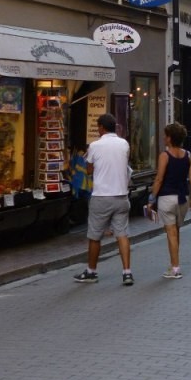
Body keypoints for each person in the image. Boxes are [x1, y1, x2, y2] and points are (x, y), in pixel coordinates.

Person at [75, 113, 134, 286]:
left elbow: (89, 170)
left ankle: (92, 271)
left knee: (95, 236)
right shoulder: (124, 144)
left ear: (101, 127)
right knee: (122, 234)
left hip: (101, 196)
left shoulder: (95, 146)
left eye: (98, 127)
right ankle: (127, 272)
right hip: (121, 195)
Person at [148, 122, 191, 279]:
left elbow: (159, 179)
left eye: (165, 135)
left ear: (170, 138)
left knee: (171, 233)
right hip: (183, 198)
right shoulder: (188, 155)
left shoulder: (165, 155)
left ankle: (175, 268)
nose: (163, 137)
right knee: (176, 231)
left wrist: (151, 199)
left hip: (167, 198)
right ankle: (173, 264)